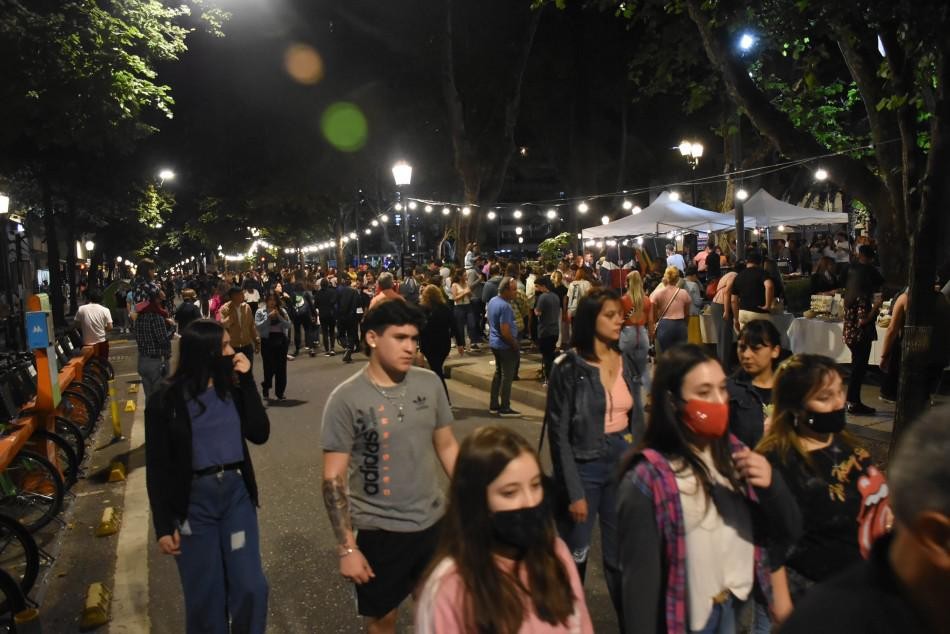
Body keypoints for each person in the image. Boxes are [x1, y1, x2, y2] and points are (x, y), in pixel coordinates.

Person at [616, 344, 801, 634]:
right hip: (685, 618)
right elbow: (639, 590)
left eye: (722, 389)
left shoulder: (738, 455)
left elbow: (789, 530)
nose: (718, 401)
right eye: (703, 393)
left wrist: (772, 484)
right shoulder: (647, 480)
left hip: (733, 605)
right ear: (673, 401)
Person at [320, 300, 459, 634]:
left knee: (440, 614)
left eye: (414, 338)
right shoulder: (346, 398)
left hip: (433, 524)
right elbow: (333, 477)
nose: (410, 347)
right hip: (379, 532)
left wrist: (480, 501)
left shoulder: (430, 383)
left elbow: (448, 447)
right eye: (400, 338)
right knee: (383, 621)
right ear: (371, 338)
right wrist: (348, 547)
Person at [144, 319, 270, 634]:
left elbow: (259, 432)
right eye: (225, 346)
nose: (232, 351)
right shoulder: (165, 398)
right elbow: (157, 465)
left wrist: (249, 381)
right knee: (205, 597)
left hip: (235, 495)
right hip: (192, 504)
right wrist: (163, 525)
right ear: (206, 353)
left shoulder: (233, 387)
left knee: (251, 586)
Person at [779, 404, 950, 634]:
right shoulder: (824, 622)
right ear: (937, 537)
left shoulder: (850, 450)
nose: (834, 405)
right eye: (823, 397)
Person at [416, 426, 594, 634]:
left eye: (536, 485)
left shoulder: (557, 553)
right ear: (477, 502)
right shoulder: (450, 586)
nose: (529, 502)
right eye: (510, 493)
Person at [756, 354, 882, 625]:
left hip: (861, 583)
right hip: (819, 594)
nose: (839, 402)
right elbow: (769, 540)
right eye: (825, 397)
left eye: (840, 391)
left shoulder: (841, 441)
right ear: (796, 408)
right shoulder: (779, 462)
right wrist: (783, 605)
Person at [545, 289, 645, 628]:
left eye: (620, 314)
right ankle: (568, 623)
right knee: (575, 556)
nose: (620, 320)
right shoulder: (567, 367)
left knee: (620, 560)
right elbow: (558, 435)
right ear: (590, 320)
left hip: (622, 460)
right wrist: (573, 491)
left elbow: (638, 419)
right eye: (611, 314)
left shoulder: (627, 360)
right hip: (583, 465)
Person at [728, 320, 783, 449]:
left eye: (755, 348)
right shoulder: (729, 390)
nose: (746, 355)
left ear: (775, 351)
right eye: (742, 347)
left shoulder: (790, 390)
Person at [842, 245, 884, 415]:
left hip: (850, 335)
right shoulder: (862, 296)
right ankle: (853, 402)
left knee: (856, 370)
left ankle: (852, 401)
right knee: (858, 371)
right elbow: (863, 320)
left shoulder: (849, 294)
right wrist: (877, 306)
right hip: (860, 336)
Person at [418, 283, 463, 398]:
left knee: (436, 371)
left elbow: (420, 331)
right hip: (444, 344)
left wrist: (420, 350)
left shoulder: (423, 310)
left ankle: (444, 399)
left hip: (429, 345)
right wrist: (460, 343)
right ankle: (437, 397)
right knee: (436, 369)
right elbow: (454, 326)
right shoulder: (445, 308)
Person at [487, 277, 520, 417]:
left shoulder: (493, 301)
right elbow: (505, 330)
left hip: (495, 343)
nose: (516, 292)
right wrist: (514, 344)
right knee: (507, 376)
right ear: (505, 290)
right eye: (513, 290)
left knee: (499, 373)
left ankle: (494, 405)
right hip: (504, 345)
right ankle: (505, 407)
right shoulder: (505, 306)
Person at [254, 291, 291, 401]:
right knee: (269, 368)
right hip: (267, 340)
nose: (272, 302)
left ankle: (280, 392)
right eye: (270, 299)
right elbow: (259, 327)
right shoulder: (260, 312)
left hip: (281, 340)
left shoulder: (282, 311)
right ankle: (266, 386)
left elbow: (288, 325)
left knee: (281, 368)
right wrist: (268, 318)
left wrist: (279, 316)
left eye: (274, 300)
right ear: (266, 300)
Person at [618, 270, 653, 388]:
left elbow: (619, 321)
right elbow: (651, 322)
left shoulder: (623, 300)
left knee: (627, 372)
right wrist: (651, 337)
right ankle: (650, 398)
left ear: (628, 283)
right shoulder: (647, 300)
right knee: (643, 371)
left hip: (628, 334)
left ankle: (631, 401)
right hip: (642, 334)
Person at [649, 266, 692, 354]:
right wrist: (685, 324)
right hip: (680, 325)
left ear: (665, 277)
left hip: (664, 326)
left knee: (665, 355)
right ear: (677, 279)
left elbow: (653, 315)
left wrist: (653, 326)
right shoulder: (684, 293)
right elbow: (687, 314)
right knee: (681, 355)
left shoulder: (657, 294)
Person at [218, 287, 261, 372]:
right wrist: (229, 317)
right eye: (241, 294)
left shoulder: (246, 307)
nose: (243, 295)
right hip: (233, 347)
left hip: (247, 345)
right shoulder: (225, 309)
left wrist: (256, 341)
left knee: (248, 371)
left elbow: (251, 326)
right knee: (235, 373)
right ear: (234, 296)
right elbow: (222, 326)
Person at [731, 253, 775, 331]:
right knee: (764, 339)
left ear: (747, 262)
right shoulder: (762, 272)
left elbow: (734, 300)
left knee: (747, 340)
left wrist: (736, 319)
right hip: (758, 313)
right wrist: (767, 305)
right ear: (760, 263)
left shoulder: (739, 276)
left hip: (743, 313)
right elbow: (769, 286)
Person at [711, 264, 740, 372]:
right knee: (724, 339)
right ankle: (724, 369)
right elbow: (728, 293)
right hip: (721, 306)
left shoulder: (728, 275)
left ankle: (723, 367)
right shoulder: (734, 276)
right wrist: (727, 311)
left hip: (717, 305)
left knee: (722, 338)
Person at [533, 276, 561, 385]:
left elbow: (538, 312)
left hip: (545, 331)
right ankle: (552, 376)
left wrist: (535, 310)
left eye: (537, 286)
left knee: (546, 357)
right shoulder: (555, 296)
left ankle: (548, 378)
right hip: (555, 330)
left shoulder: (543, 297)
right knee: (551, 354)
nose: (536, 289)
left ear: (543, 286)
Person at [74, 287, 113, 362]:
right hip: (102, 342)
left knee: (89, 365)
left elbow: (76, 325)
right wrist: (103, 328)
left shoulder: (81, 309)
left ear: (89, 298)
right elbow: (110, 327)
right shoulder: (105, 310)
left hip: (87, 343)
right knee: (103, 363)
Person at [336, 276, 362, 364]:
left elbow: (336, 303)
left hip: (341, 317)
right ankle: (349, 349)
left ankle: (346, 346)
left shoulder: (340, 291)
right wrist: (359, 317)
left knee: (341, 334)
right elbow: (359, 305)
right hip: (352, 317)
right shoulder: (355, 292)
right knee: (351, 334)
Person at [449, 269, 475, 351]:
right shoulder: (454, 285)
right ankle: (461, 345)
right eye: (465, 275)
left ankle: (471, 342)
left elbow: (470, 295)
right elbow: (455, 298)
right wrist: (464, 292)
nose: (466, 277)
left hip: (468, 306)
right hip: (459, 307)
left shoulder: (466, 283)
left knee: (472, 324)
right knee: (460, 327)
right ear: (460, 276)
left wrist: (469, 292)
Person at [314, 278, 338, 357]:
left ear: (321, 285)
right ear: (328, 284)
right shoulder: (332, 292)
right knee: (331, 331)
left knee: (324, 332)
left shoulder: (318, 293)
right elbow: (334, 301)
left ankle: (327, 350)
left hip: (322, 314)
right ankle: (332, 348)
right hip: (331, 314)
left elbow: (316, 305)